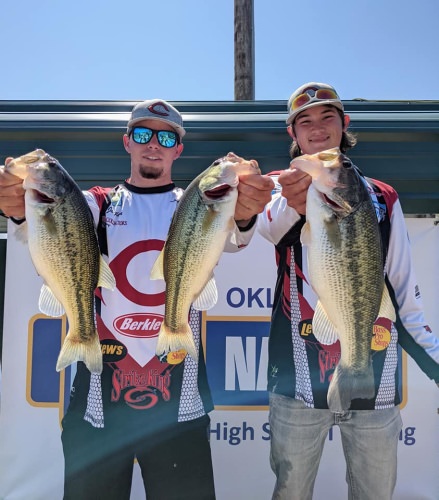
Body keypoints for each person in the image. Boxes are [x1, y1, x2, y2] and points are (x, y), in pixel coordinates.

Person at [0, 99, 274, 500]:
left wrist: (245, 209)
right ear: (127, 141)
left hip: (180, 410)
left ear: (178, 149)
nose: (153, 145)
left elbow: (237, 234)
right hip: (97, 408)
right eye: (143, 134)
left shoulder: (196, 202)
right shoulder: (96, 202)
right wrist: (16, 202)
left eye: (166, 137)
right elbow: (44, 221)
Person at [257, 82, 439, 500]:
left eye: (327, 118)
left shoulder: (380, 195)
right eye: (305, 121)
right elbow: (263, 229)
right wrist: (296, 201)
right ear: (292, 133)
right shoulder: (280, 188)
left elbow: (402, 291)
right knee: (290, 491)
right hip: (295, 380)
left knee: (376, 493)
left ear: (345, 124)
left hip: (375, 373)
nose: (316, 129)